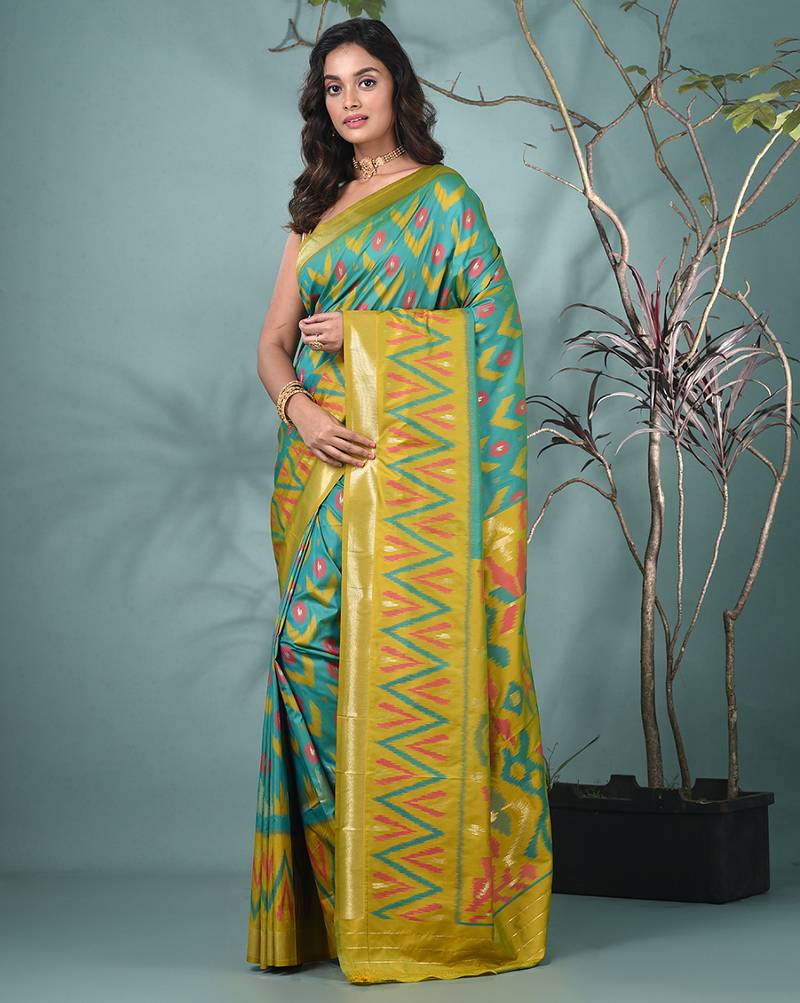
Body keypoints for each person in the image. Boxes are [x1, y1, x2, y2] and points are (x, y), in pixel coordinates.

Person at [246, 15, 552, 986]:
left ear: (397, 89)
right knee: (305, 654)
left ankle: (404, 898)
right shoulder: (315, 208)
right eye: (333, 86)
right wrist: (299, 409)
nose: (349, 100)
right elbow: (272, 343)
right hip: (319, 472)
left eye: (365, 80)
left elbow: (494, 338)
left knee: (398, 671)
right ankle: (354, 886)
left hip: (411, 483)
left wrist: (371, 338)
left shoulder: (445, 201)